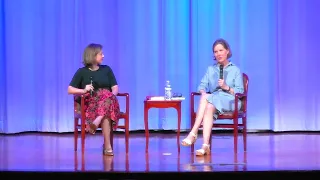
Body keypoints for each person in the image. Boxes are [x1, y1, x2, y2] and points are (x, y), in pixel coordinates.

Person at [181, 38, 244, 156]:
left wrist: (226, 87)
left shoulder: (235, 69)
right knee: (209, 106)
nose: (218, 54)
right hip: (214, 99)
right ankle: (205, 145)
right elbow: (201, 85)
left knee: (207, 99)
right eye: (216, 51)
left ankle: (193, 133)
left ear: (227, 51)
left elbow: (240, 91)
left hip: (232, 100)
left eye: (221, 50)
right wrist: (203, 91)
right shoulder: (210, 69)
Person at [68, 43, 120, 156]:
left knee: (106, 95)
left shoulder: (107, 69)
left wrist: (111, 96)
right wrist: (84, 90)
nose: (103, 56)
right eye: (101, 54)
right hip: (92, 105)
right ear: (93, 55)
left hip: (109, 102)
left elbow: (115, 88)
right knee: (106, 111)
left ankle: (96, 122)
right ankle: (107, 147)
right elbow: (70, 90)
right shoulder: (82, 72)